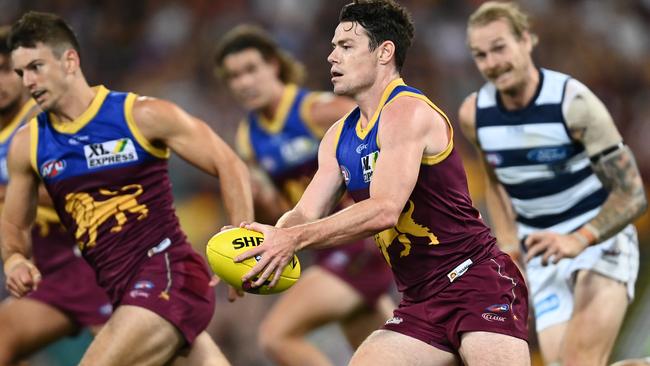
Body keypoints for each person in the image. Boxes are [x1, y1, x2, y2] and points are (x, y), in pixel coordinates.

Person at [234, 1, 530, 365]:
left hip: (477, 282)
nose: (331, 57)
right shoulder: (336, 136)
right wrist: (264, 246)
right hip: (419, 301)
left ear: (384, 52)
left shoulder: (408, 112)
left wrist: (291, 240)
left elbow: (385, 209)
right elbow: (304, 212)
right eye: (332, 46)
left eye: (345, 47)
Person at [1, 11, 253, 366]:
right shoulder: (28, 144)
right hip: (121, 292)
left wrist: (242, 246)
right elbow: (15, 224)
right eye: (21, 72)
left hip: (169, 274)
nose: (28, 81)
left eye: (36, 66)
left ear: (70, 61)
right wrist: (14, 260)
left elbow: (228, 163)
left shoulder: (139, 115)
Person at [458, 2, 647, 366]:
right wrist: (510, 248)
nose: (492, 62)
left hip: (599, 238)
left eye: (500, 47)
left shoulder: (573, 104)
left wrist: (578, 239)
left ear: (527, 40)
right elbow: (498, 183)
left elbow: (632, 194)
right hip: (541, 249)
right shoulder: (474, 115)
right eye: (480, 55)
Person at [213, 24, 395, 366]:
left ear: (274, 65)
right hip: (324, 248)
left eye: (251, 69)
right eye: (233, 76)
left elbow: (390, 141)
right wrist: (260, 203)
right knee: (382, 353)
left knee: (276, 336)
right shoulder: (248, 137)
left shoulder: (318, 111)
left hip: (359, 240)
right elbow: (287, 210)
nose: (244, 82)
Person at [0, 24, 112, 365]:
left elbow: (86, 188)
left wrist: (7, 193)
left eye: (6, 71)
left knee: (159, 356)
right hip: (45, 269)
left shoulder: (44, 120)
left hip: (89, 261)